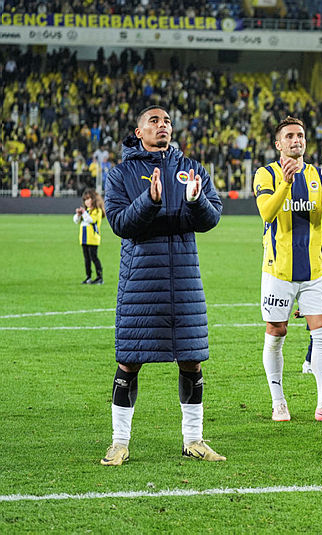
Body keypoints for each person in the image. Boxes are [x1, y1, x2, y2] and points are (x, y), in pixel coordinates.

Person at [100, 105, 225, 465]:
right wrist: (150, 202)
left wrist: (196, 200)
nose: (162, 126)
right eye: (153, 121)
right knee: (129, 362)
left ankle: (194, 440)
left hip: (184, 279)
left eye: (167, 121)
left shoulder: (192, 170)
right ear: (138, 132)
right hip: (141, 280)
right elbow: (121, 223)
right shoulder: (120, 174)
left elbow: (211, 217)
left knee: (192, 361)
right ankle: (119, 442)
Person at [253, 116, 322, 423]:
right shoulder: (265, 174)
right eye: (290, 136)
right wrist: (285, 182)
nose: (296, 140)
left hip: (313, 273)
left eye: (300, 135)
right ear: (278, 144)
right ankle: (279, 402)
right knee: (276, 331)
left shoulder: (314, 174)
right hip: (278, 271)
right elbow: (268, 213)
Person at [73, 188, 104, 285]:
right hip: (84, 239)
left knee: (94, 258)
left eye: (88, 199)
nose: (86, 201)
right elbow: (76, 221)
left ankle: (99, 277)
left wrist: (84, 213)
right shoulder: (86, 211)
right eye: (85, 199)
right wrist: (78, 215)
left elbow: (92, 220)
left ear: (93, 200)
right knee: (86, 259)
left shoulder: (97, 211)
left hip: (93, 239)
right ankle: (88, 276)